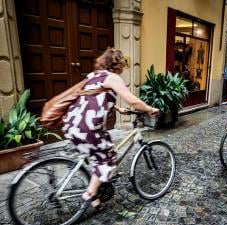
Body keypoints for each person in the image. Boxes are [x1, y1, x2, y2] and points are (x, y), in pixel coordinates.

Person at [62, 48, 159, 209]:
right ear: (118, 64)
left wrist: (116, 108)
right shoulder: (112, 77)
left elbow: (93, 98)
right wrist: (149, 109)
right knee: (105, 160)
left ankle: (96, 197)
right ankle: (89, 194)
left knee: (104, 149)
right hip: (88, 128)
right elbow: (132, 100)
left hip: (72, 122)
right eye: (122, 64)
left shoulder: (92, 76)